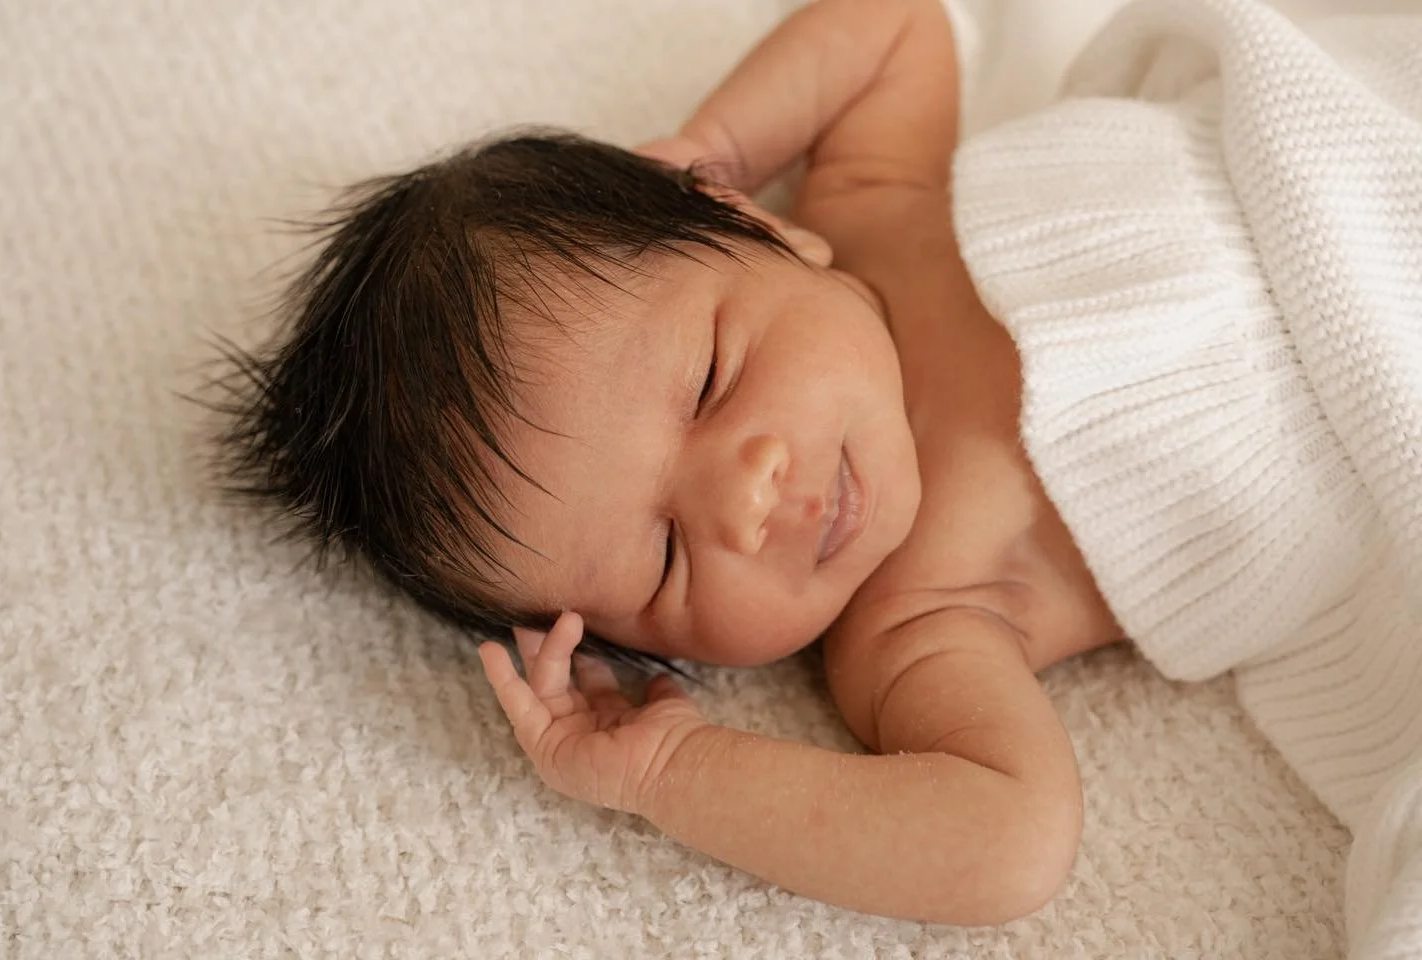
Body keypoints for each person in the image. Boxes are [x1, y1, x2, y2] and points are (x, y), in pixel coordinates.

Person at [218, 0, 1422, 952]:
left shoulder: (875, 209)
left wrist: (719, 135)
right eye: (667, 556)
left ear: (752, 223)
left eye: (708, 381)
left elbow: (891, 24)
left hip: (1346, 147)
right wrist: (671, 771)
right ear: (645, 648)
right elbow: (1010, 843)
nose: (746, 499)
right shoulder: (917, 625)